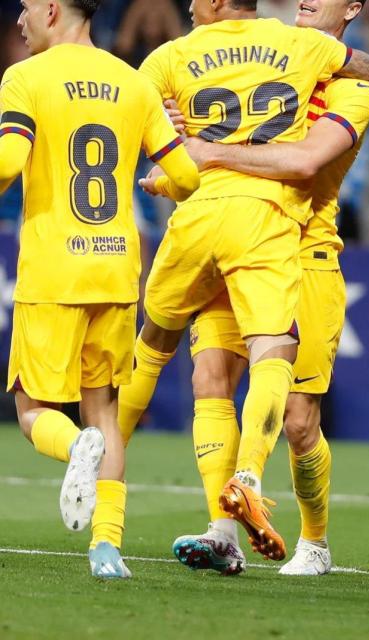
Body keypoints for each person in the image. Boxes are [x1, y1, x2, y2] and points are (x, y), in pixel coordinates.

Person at [118, 0, 369, 563]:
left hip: (306, 252)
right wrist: (171, 128)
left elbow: (302, 161)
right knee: (208, 378)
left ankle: (314, 541)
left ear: (351, 10)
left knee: (299, 421)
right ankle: (223, 531)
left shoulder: (353, 92)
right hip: (236, 236)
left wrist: (208, 150)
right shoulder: (267, 59)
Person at [0, 0, 199, 577]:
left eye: (26, 7)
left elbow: (10, 161)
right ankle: (108, 549)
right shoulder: (132, 82)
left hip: (53, 268)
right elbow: (186, 175)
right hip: (116, 267)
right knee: (104, 412)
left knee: (34, 409)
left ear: (54, 10)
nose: (19, 19)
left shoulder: (24, 77)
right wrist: (158, 184)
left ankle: (73, 451)